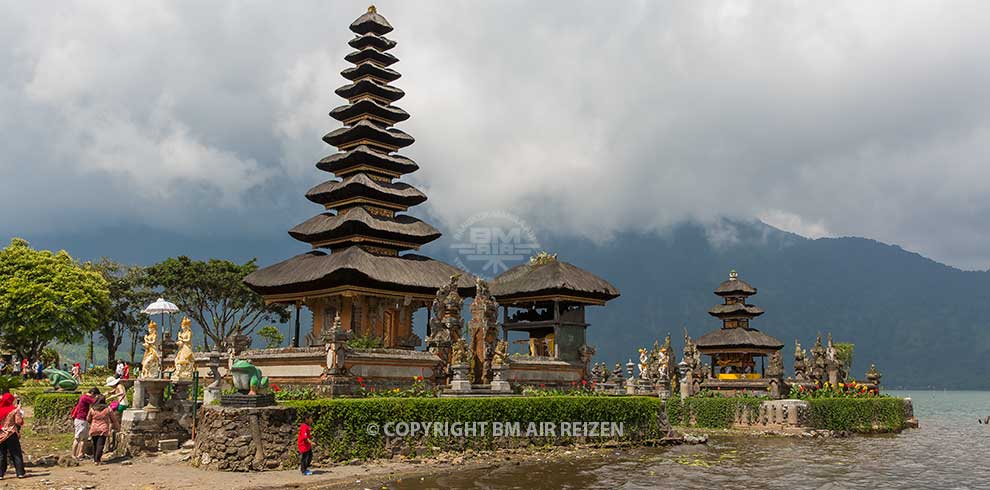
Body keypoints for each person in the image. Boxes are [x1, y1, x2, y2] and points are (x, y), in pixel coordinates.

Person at [0, 393, 25, 479]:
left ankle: (0, 474)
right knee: (16, 453)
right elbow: (19, 422)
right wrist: (20, 412)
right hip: (11, 434)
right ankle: (20, 473)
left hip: (1, 435)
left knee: (1, 454)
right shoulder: (14, 410)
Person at [70, 388, 100, 460]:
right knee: (77, 438)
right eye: (95, 395)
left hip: (84, 419)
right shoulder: (85, 397)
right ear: (92, 393)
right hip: (81, 420)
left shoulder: (84, 397)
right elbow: (96, 402)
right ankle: (73, 455)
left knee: (84, 438)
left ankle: (81, 454)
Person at [87, 396, 117, 465]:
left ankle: (95, 459)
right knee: (100, 445)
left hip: (94, 429)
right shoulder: (108, 409)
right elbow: (113, 419)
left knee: (95, 444)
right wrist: (116, 426)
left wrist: (92, 422)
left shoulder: (92, 409)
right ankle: (97, 460)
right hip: (103, 429)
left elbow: (88, 419)